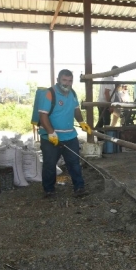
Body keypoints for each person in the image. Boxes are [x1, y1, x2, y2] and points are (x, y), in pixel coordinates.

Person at [38, 69, 91, 198]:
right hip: (51, 138)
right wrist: (51, 133)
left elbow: (76, 109)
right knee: (50, 164)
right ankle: (49, 190)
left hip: (70, 136)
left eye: (70, 81)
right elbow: (43, 116)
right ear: (58, 80)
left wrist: (82, 122)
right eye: (64, 80)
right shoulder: (49, 94)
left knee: (74, 163)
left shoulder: (72, 93)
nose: (67, 83)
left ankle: (79, 188)